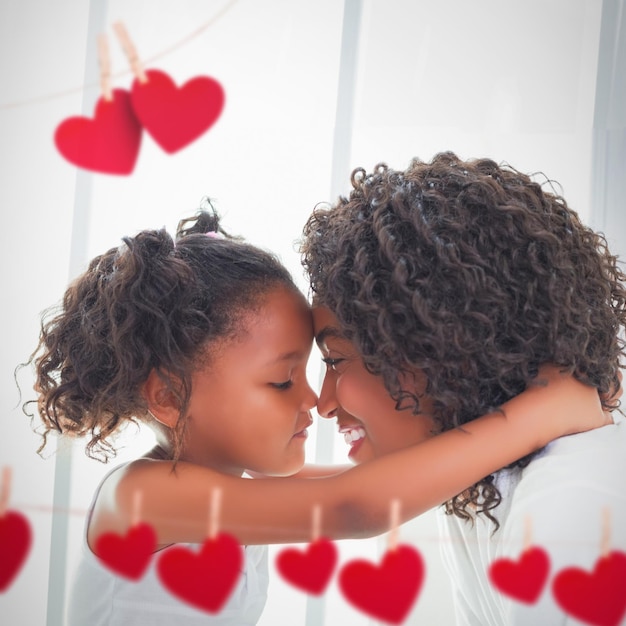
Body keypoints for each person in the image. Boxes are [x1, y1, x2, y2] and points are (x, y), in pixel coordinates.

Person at [26, 205, 609, 626]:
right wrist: (536, 414)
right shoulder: (141, 499)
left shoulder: (225, 488)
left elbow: (387, 478)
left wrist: (475, 395)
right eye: (283, 380)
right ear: (170, 398)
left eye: (311, 369)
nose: (311, 399)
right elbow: (357, 505)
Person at [300, 151, 626, 625]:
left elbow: (348, 504)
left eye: (335, 361)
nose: (323, 404)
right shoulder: (479, 494)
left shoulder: (567, 511)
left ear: (435, 347)